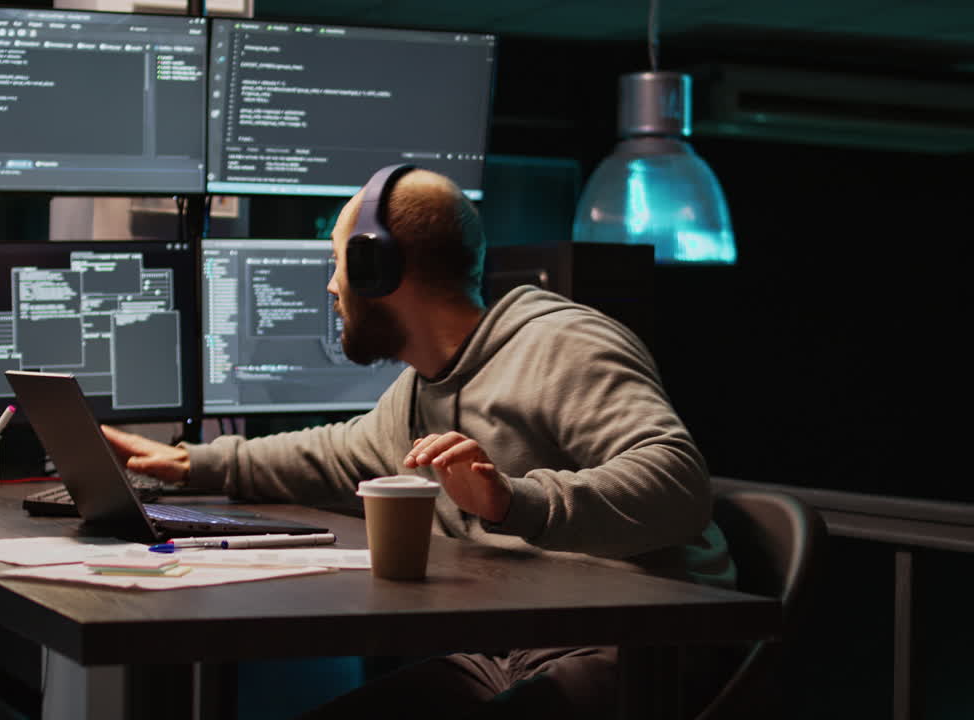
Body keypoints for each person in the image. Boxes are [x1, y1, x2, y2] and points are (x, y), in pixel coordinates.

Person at [102, 165, 734, 719]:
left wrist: (512, 501)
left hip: (637, 651)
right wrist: (186, 463)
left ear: (378, 268)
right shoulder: (419, 393)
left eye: (338, 263)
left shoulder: (562, 345)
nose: (331, 287)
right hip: (511, 651)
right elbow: (330, 454)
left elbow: (677, 484)